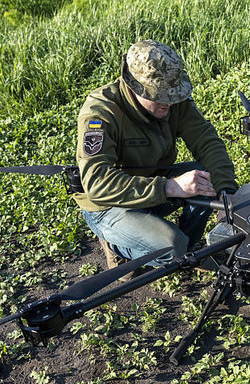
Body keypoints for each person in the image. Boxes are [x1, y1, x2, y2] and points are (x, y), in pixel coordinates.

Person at [73, 40, 237, 273]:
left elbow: (207, 141)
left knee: (207, 177)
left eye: (172, 94)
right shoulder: (100, 112)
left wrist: (225, 193)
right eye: (159, 95)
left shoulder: (173, 102)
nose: (168, 102)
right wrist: (170, 187)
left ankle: (189, 251)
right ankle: (118, 248)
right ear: (133, 86)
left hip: (155, 184)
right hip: (109, 204)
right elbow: (97, 185)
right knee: (171, 245)